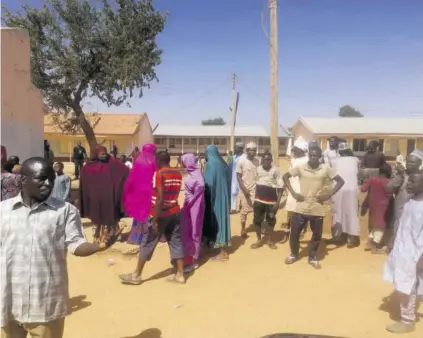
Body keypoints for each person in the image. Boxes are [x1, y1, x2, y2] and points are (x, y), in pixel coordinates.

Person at [0, 157, 117, 338]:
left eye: (51, 179)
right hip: (9, 300)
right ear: (24, 180)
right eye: (42, 178)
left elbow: (76, 244)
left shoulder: (65, 211)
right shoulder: (3, 211)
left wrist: (98, 246)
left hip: (46, 304)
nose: (48, 183)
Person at [119, 151, 185, 285]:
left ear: (159, 161)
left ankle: (137, 275)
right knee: (176, 241)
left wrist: (155, 218)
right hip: (175, 211)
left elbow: (160, 197)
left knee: (148, 242)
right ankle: (180, 275)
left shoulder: (159, 174)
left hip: (161, 214)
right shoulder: (177, 173)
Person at [283, 147, 345, 268]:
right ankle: (294, 254)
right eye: (311, 155)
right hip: (301, 206)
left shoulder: (325, 169)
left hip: (317, 207)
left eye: (315, 156)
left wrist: (328, 195)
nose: (313, 158)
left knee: (317, 235)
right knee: (295, 232)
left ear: (319, 157)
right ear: (308, 155)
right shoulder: (301, 167)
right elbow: (285, 177)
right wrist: (294, 193)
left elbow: (340, 181)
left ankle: (312, 257)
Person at [382, 170, 423, 334]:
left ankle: (407, 321)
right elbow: (403, 222)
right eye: (409, 181)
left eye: (414, 182)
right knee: (408, 283)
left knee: (408, 286)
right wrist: (393, 236)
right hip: (403, 249)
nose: (409, 184)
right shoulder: (410, 201)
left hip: (416, 253)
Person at [79, 145, 129, 246]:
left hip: (109, 196)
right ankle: (96, 237)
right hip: (95, 198)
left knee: (110, 216)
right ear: (96, 154)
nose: (104, 155)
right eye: (101, 154)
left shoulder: (112, 162)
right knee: (96, 218)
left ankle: (115, 235)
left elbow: (125, 171)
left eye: (105, 153)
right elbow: (85, 178)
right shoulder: (89, 166)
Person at [385, 149, 423, 252]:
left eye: (413, 162)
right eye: (408, 161)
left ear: (420, 163)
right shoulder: (400, 175)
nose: (410, 164)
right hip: (400, 218)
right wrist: (400, 176)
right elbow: (388, 188)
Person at [123, 143, 157, 248]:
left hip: (138, 191)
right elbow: (156, 175)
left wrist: (128, 190)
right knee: (147, 213)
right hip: (149, 190)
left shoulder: (137, 160)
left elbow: (132, 176)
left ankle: (135, 238)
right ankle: (146, 237)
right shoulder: (154, 160)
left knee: (138, 213)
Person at [203, 145, 231, 261]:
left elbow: (209, 185)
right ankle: (217, 246)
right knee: (222, 220)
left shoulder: (210, 166)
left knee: (217, 221)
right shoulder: (224, 165)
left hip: (215, 197)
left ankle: (223, 253)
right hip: (223, 196)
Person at [251, 152, 283, 250]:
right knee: (257, 221)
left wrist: (277, 203)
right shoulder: (257, 170)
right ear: (262, 160)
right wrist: (253, 198)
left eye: (269, 159)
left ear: (271, 161)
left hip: (271, 201)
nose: (266, 161)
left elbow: (281, 187)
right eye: (265, 159)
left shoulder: (276, 170)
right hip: (258, 200)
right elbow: (254, 183)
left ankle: (269, 240)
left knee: (271, 221)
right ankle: (259, 240)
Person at [331, 142, 360, 247]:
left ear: (340, 151)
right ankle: (351, 239)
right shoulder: (356, 160)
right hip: (351, 190)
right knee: (351, 213)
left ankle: (338, 237)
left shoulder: (335, 161)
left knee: (338, 212)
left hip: (339, 189)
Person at [361, 163, 393, 254]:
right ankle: (374, 248)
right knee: (381, 228)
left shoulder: (372, 179)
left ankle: (369, 243)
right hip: (384, 207)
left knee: (376, 226)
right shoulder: (388, 182)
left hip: (373, 207)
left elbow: (363, 189)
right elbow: (390, 193)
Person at [181, 153, 205, 272]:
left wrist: (191, 200)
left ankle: (193, 261)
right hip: (190, 206)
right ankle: (192, 255)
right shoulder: (195, 172)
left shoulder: (196, 175)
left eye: (183, 161)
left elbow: (200, 186)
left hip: (195, 207)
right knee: (189, 230)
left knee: (194, 231)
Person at [283, 138, 309, 234]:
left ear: (300, 149)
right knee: (290, 208)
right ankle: (288, 228)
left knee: (302, 209)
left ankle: (301, 230)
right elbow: (289, 172)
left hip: (302, 186)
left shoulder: (307, 160)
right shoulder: (293, 160)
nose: (293, 150)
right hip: (292, 186)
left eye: (295, 149)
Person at [236, 142, 260, 237]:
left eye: (254, 150)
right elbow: (238, 176)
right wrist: (244, 189)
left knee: (257, 210)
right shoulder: (241, 161)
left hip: (256, 190)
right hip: (245, 190)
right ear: (247, 151)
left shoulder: (257, 161)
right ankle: (243, 228)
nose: (253, 152)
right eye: (250, 150)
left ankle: (256, 226)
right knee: (244, 211)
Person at [230, 142, 246, 213]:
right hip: (233, 178)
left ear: (241, 148)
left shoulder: (244, 157)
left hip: (241, 178)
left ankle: (242, 205)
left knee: (242, 193)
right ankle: (233, 208)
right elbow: (230, 166)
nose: (234, 148)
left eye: (236, 147)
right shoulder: (233, 157)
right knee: (233, 193)